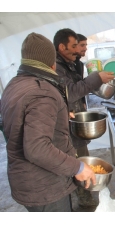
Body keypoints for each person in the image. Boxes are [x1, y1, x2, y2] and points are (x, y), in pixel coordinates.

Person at [0, 32, 96, 212]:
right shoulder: (42, 91)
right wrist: (77, 167)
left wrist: (57, 114)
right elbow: (37, 148)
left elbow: (15, 119)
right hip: (45, 185)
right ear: (50, 62)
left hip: (25, 180)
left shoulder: (15, 84)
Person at [53, 28, 114, 210]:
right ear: (61, 47)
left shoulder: (71, 63)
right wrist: (96, 78)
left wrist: (83, 104)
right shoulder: (57, 67)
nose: (78, 50)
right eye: (75, 46)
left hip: (75, 118)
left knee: (82, 156)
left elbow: (77, 89)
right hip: (65, 124)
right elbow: (70, 92)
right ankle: (83, 199)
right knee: (76, 160)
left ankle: (84, 194)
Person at [74, 33, 88, 110]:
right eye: (82, 45)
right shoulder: (68, 65)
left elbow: (80, 83)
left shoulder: (79, 64)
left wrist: (83, 102)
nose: (85, 48)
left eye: (86, 45)